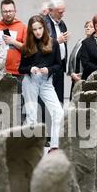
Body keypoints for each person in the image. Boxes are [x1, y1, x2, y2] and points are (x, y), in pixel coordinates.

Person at [19, 15, 63, 152]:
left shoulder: (53, 43)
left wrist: (48, 69)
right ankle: (30, 149)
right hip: (30, 81)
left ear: (44, 27)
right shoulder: (27, 46)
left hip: (46, 82)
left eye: (40, 28)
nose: (38, 31)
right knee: (31, 115)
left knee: (58, 112)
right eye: (34, 29)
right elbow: (20, 68)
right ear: (31, 31)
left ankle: (54, 146)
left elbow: (59, 65)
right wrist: (30, 69)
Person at [0, 0, 27, 123]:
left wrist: (14, 42)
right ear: (1, 12)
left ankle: (18, 131)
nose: (8, 13)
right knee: (0, 103)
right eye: (5, 11)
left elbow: (28, 50)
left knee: (17, 103)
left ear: (15, 11)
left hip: (17, 73)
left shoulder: (22, 27)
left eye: (10, 11)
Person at [43, 0, 69, 103]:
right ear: (50, 11)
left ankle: (58, 120)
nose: (62, 14)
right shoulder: (43, 24)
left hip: (59, 65)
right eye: (59, 12)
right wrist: (57, 41)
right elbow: (40, 46)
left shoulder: (62, 24)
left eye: (63, 12)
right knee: (48, 100)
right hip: (48, 67)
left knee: (59, 99)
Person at [67, 20, 94, 99]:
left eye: (91, 27)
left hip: (88, 79)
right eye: (86, 26)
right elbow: (72, 58)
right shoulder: (80, 41)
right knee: (74, 105)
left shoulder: (96, 44)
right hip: (76, 78)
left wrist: (83, 75)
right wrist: (72, 73)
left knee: (85, 105)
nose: (88, 28)